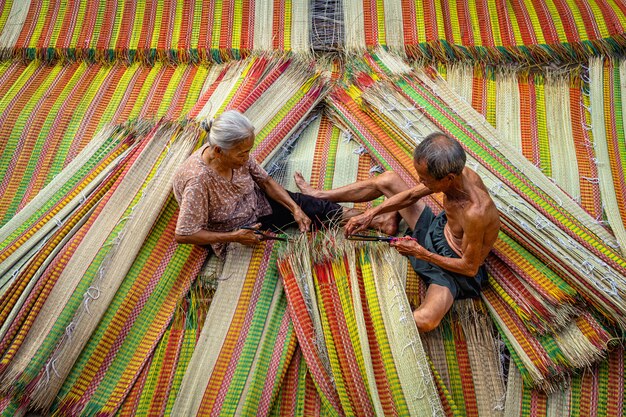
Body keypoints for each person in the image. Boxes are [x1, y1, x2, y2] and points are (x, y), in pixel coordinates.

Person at [294, 132, 500, 332]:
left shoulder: (476, 212)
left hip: (453, 271)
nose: (421, 182)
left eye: (425, 179)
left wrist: (420, 252)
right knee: (388, 179)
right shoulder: (455, 178)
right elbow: (411, 195)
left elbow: (469, 268)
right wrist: (372, 213)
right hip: (437, 231)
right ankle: (320, 195)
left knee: (425, 321)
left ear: (448, 178)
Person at [172, 110, 397, 258]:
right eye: (243, 153)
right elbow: (185, 234)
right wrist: (234, 237)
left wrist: (294, 208)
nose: (247, 157)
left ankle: (378, 221)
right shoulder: (198, 180)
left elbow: (265, 180)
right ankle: (376, 220)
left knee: (314, 208)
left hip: (257, 203)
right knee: (273, 254)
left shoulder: (237, 154)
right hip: (233, 228)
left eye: (248, 150)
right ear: (218, 151)